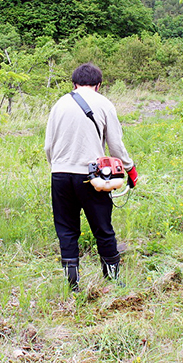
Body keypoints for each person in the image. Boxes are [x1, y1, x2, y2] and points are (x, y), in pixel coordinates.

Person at [44, 63, 137, 290]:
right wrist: (130, 168)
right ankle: (113, 280)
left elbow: (48, 145)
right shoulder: (104, 103)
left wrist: (57, 168)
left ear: (74, 84)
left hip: (60, 174)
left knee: (66, 230)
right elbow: (115, 144)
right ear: (98, 85)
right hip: (92, 176)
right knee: (103, 228)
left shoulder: (60, 104)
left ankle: (72, 285)